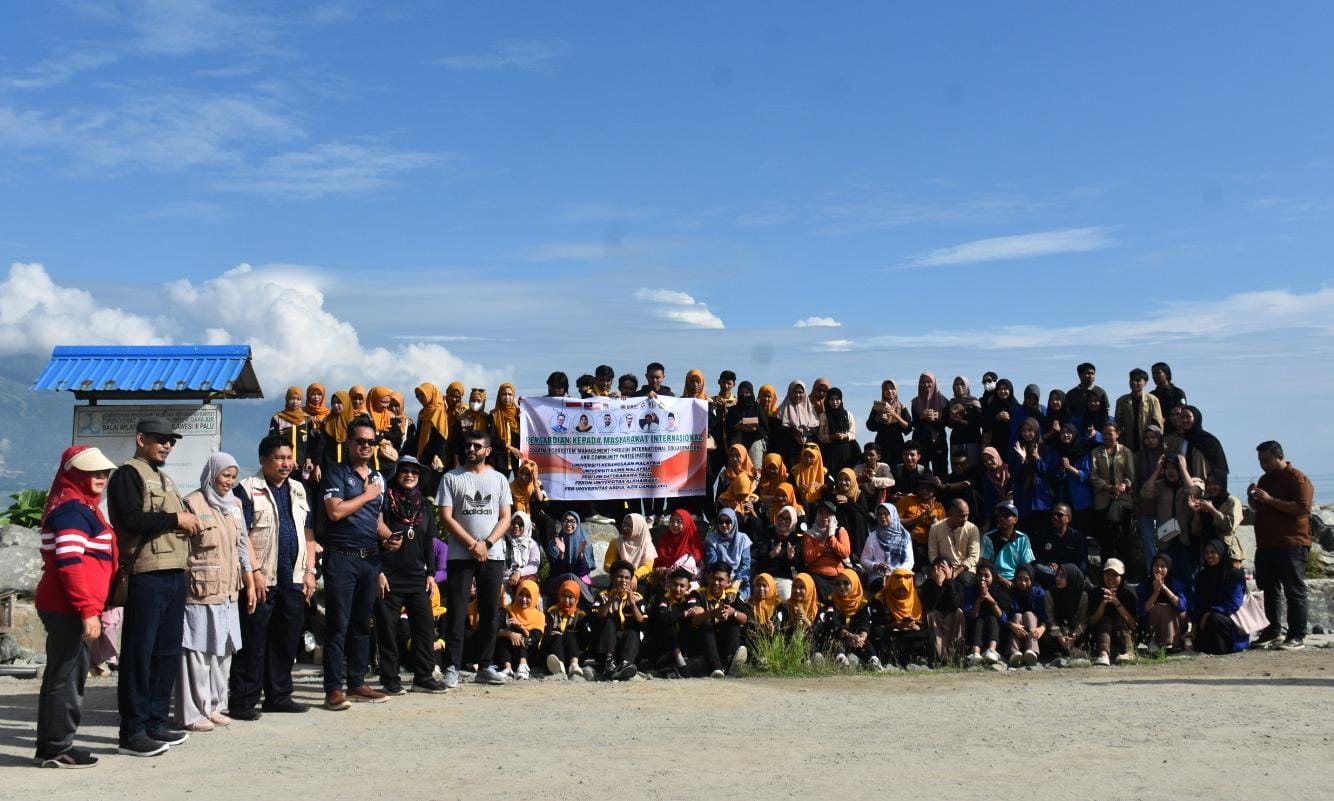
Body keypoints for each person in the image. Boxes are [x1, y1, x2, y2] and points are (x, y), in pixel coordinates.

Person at [107, 417, 201, 757]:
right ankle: (132, 732)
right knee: (139, 653)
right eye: (160, 439)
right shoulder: (128, 474)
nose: (167, 445)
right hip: (146, 573)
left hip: (175, 571)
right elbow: (130, 519)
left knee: (165, 652)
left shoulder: (164, 478)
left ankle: (155, 722)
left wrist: (189, 524)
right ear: (141, 438)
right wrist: (176, 520)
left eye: (171, 441)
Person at [33, 446, 119, 768]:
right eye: (92, 472)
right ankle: (57, 748)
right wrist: (87, 610)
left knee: (62, 676)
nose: (100, 478)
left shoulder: (79, 506)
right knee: (67, 679)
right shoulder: (72, 511)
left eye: (104, 473)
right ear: (74, 474)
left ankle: (51, 746)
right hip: (69, 609)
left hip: (68, 606)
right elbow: (70, 563)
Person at [230, 435, 317, 720]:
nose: (286, 463)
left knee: (285, 640)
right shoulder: (246, 489)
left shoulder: (298, 489)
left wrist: (310, 572)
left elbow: (308, 532)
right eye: (279, 458)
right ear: (263, 460)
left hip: (292, 578)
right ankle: (244, 700)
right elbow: (242, 536)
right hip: (261, 579)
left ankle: (278, 696)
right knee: (253, 642)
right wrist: (252, 573)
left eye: (289, 457)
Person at [320, 419, 397, 709]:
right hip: (342, 557)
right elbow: (335, 511)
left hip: (370, 558)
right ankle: (333, 689)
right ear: (349, 443)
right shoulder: (336, 473)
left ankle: (356, 682)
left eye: (371, 441)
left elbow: (376, 519)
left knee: (362, 624)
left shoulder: (378, 477)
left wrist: (390, 537)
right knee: (338, 624)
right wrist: (367, 494)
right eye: (360, 441)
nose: (366, 446)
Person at [178, 453, 249, 732]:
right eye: (224, 476)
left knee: (224, 651)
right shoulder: (192, 503)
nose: (229, 482)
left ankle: (217, 706)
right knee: (197, 652)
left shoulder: (235, 505)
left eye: (233, 477)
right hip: (200, 589)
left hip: (229, 590)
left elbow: (242, 544)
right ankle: (193, 712)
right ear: (212, 474)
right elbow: (183, 547)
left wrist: (249, 577)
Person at [438, 429, 514, 686]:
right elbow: (446, 517)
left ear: (488, 450)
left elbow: (506, 517)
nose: (471, 450)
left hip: (492, 555)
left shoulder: (500, 480)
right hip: (460, 554)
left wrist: (488, 543)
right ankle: (452, 666)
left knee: (490, 611)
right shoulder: (451, 478)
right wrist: (473, 544)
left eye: (477, 446)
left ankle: (485, 664)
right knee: (458, 611)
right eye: (468, 445)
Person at [374, 456, 446, 695]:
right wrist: (379, 571)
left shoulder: (424, 505)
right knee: (388, 630)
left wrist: (431, 573)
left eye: (414, 472)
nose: (409, 475)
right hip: (390, 575)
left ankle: (423, 677)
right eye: (404, 470)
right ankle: (390, 679)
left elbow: (428, 541)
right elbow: (374, 537)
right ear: (396, 473)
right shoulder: (384, 500)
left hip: (417, 576)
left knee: (424, 628)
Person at [1249, 440, 1315, 650]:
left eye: (1267, 460)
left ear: (1280, 456)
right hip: (1266, 544)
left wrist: (1269, 499)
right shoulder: (1265, 479)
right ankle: (1272, 630)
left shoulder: (1298, 478)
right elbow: (1261, 508)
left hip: (1291, 543)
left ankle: (1297, 635)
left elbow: (1302, 508)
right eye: (1261, 461)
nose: (1263, 465)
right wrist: (1255, 499)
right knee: (1269, 589)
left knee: (1294, 590)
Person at [685, 562, 752, 677]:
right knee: (706, 624)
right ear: (708, 578)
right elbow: (694, 620)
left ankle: (731, 661)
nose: (716, 583)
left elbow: (745, 618)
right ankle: (716, 667)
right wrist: (712, 613)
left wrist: (732, 612)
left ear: (728, 582)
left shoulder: (732, 596)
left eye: (720, 580)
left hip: (723, 643)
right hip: (701, 643)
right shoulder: (697, 594)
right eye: (713, 578)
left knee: (734, 623)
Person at [590, 560, 648, 680]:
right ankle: (609, 662)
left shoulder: (637, 598)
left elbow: (642, 623)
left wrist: (632, 604)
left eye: (627, 578)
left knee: (633, 632)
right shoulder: (602, 596)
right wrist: (610, 601)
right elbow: (596, 620)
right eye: (620, 577)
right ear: (612, 578)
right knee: (609, 622)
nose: (623, 581)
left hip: (627, 648)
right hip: (605, 647)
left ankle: (625, 665)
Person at [1090, 421, 1136, 571]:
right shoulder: (1096, 452)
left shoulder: (1126, 452)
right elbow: (1093, 476)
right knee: (1106, 542)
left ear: (1117, 434)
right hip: (1103, 501)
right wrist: (1107, 487)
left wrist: (1124, 485)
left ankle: (1124, 574)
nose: (1108, 436)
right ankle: (1106, 573)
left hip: (1122, 501)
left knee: (1123, 541)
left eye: (1110, 433)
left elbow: (1131, 475)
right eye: (1104, 434)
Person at [1191, 539, 1249, 654]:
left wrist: (1210, 612)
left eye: (1213, 552)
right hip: (1207, 619)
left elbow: (1234, 602)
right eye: (1206, 553)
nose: (1209, 556)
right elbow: (1198, 602)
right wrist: (1194, 624)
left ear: (1221, 553)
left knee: (1215, 619)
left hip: (1230, 618)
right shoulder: (1202, 575)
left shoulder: (1234, 574)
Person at [817, 568, 877, 669]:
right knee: (835, 639)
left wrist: (862, 636)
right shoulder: (831, 600)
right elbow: (833, 621)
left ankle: (874, 661)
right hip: (840, 635)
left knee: (866, 643)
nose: (842, 587)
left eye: (846, 583)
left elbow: (865, 620)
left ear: (854, 584)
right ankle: (841, 660)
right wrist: (848, 635)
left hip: (856, 639)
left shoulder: (862, 602)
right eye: (838, 583)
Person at [869, 567, 927, 668]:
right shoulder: (880, 599)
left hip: (910, 633)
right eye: (898, 589)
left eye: (905, 590)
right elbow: (877, 625)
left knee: (929, 634)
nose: (901, 593)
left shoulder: (916, 597)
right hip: (892, 636)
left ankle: (926, 661)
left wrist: (915, 627)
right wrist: (894, 625)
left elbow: (921, 623)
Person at [1088, 558, 1137, 666]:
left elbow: (1133, 624)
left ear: (1121, 577)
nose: (1110, 578)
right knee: (1106, 619)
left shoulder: (1128, 594)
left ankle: (1127, 651)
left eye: (1115, 575)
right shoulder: (1095, 593)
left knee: (1117, 618)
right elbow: (1091, 621)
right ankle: (1103, 653)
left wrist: (1117, 603)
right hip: (1100, 634)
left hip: (1123, 632)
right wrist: (1103, 603)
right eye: (1107, 574)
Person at [494, 579, 545, 680]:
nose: (524, 599)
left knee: (518, 630)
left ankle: (523, 665)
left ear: (534, 597)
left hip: (529, 654)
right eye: (521, 594)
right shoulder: (507, 610)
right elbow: (495, 630)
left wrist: (521, 627)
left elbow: (535, 638)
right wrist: (510, 634)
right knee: (509, 632)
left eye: (528, 596)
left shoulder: (539, 616)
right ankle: (507, 669)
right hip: (507, 654)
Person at [1136, 553, 1188, 652]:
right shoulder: (1145, 585)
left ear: (1168, 568)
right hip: (1152, 624)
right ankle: (1165, 643)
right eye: (1156, 565)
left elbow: (1181, 606)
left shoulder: (1176, 584)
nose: (1159, 569)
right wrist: (1156, 592)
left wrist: (1165, 588)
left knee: (1170, 609)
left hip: (1176, 622)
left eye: (1163, 566)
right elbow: (1143, 610)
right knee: (1161, 608)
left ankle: (1171, 643)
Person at [802, 500, 851, 599]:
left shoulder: (840, 531)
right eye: (820, 512)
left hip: (838, 573)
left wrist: (831, 539)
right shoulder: (809, 534)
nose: (824, 516)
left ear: (833, 516)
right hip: (817, 573)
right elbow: (808, 557)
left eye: (828, 513)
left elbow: (846, 553)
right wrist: (823, 542)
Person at [920, 557, 966, 664]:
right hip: (936, 618)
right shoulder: (928, 585)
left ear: (951, 570)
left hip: (952, 617)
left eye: (944, 568)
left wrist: (948, 582)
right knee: (931, 614)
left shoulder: (957, 585)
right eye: (937, 568)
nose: (941, 571)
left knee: (959, 613)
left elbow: (955, 604)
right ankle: (937, 655)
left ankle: (956, 654)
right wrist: (938, 584)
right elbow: (930, 605)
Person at [963, 562, 1009, 666]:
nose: (982, 578)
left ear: (993, 577)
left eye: (986, 576)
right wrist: (979, 600)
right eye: (980, 575)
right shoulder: (970, 590)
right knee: (979, 619)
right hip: (975, 629)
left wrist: (991, 600)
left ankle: (992, 651)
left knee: (992, 618)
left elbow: (1003, 618)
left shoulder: (1000, 592)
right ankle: (976, 653)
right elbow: (971, 616)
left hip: (996, 631)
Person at [1041, 563, 1089, 662]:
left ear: (1071, 578)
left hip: (1075, 632)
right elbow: (1050, 619)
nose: (1057, 579)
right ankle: (1073, 652)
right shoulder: (1050, 594)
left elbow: (1083, 620)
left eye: (1062, 576)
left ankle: (1068, 651)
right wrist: (1060, 637)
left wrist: (1074, 636)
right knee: (1045, 639)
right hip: (1057, 632)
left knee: (1089, 634)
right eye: (1057, 575)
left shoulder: (1082, 595)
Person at [542, 579, 588, 680]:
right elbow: (547, 636)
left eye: (570, 597)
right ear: (559, 596)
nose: (567, 600)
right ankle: (559, 666)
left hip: (574, 653)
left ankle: (574, 665)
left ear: (577, 598)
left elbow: (584, 641)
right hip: (554, 652)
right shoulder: (551, 612)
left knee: (570, 635)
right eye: (564, 596)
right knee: (557, 636)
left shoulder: (581, 615)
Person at [703, 508, 753, 597]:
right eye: (721, 521)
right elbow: (712, 563)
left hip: (738, 580)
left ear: (734, 521)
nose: (724, 525)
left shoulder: (743, 539)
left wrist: (737, 581)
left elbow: (745, 564)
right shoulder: (711, 538)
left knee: (739, 600)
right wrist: (725, 581)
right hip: (717, 578)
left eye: (728, 521)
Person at [1114, 368, 1164, 455]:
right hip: (1128, 445)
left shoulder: (1152, 400)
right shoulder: (1121, 401)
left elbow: (1158, 424)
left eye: (1138, 380)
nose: (1134, 383)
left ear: (1145, 383)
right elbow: (1117, 424)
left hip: (1148, 445)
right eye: (1132, 380)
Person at [927, 499, 981, 578]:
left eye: (967, 515)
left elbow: (973, 556)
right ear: (951, 513)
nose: (965, 519)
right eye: (961, 516)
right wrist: (943, 569)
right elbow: (933, 554)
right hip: (943, 568)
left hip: (966, 570)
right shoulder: (935, 528)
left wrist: (956, 572)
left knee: (964, 580)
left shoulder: (972, 528)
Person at [1005, 564, 1046, 667]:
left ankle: (1031, 651)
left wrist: (1042, 628)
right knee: (1017, 616)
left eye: (1026, 579)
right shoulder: (1010, 593)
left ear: (1031, 580)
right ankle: (1014, 653)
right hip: (1014, 631)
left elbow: (1047, 616)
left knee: (1029, 614)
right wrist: (1012, 625)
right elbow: (1003, 615)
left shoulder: (1038, 593)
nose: (1023, 583)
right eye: (1019, 579)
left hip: (1034, 630)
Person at [861, 503, 915, 580]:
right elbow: (864, 560)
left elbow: (909, 561)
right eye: (880, 514)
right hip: (879, 576)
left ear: (893, 515)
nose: (882, 517)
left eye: (886, 514)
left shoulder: (905, 536)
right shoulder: (873, 537)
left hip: (900, 575)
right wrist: (876, 566)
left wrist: (896, 572)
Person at [547, 511, 596, 593]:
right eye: (565, 521)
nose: (569, 524)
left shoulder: (585, 543)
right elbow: (555, 572)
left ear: (578, 524)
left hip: (580, 577)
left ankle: (588, 602)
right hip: (560, 578)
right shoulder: (554, 544)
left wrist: (580, 555)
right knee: (569, 577)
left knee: (587, 581)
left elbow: (584, 573)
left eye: (572, 521)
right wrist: (561, 554)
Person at [866, 379, 912, 466]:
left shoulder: (902, 407)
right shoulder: (877, 407)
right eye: (886, 389)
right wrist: (878, 416)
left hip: (897, 445)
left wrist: (894, 414)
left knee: (897, 470)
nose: (889, 391)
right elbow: (870, 426)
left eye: (892, 388)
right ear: (883, 391)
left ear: (896, 391)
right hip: (881, 444)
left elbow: (908, 428)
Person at [911, 373, 949, 476]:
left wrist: (934, 420)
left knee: (941, 472)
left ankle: (942, 492)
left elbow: (946, 423)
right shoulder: (915, 402)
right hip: (921, 442)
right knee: (922, 472)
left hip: (938, 442)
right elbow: (914, 424)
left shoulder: (944, 401)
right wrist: (922, 417)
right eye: (923, 382)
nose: (926, 384)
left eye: (929, 382)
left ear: (934, 383)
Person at [652, 509, 704, 584]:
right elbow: (654, 565)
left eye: (679, 522)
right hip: (664, 585)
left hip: (688, 586)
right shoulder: (664, 541)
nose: (675, 524)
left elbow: (700, 570)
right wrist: (660, 570)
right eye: (672, 521)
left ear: (686, 524)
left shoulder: (694, 546)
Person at [605, 513, 658, 585]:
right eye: (624, 524)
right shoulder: (616, 542)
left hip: (640, 580)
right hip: (619, 578)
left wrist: (634, 575)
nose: (624, 528)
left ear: (638, 528)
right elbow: (608, 563)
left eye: (630, 526)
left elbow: (647, 567)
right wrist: (620, 573)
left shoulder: (647, 544)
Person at [1035, 503, 1088, 575]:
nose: (1055, 517)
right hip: (1050, 572)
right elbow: (1036, 557)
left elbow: (1082, 561)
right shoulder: (1044, 535)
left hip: (1069, 573)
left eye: (1059, 515)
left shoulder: (1077, 536)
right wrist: (1047, 564)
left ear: (1068, 518)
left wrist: (1064, 569)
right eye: (1053, 515)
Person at [817, 387, 859, 474]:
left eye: (837, 399)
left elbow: (853, 433)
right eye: (832, 399)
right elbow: (820, 436)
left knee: (846, 473)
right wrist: (831, 437)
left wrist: (845, 436)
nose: (835, 402)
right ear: (828, 400)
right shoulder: (823, 416)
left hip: (847, 451)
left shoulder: (847, 414)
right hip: (830, 451)